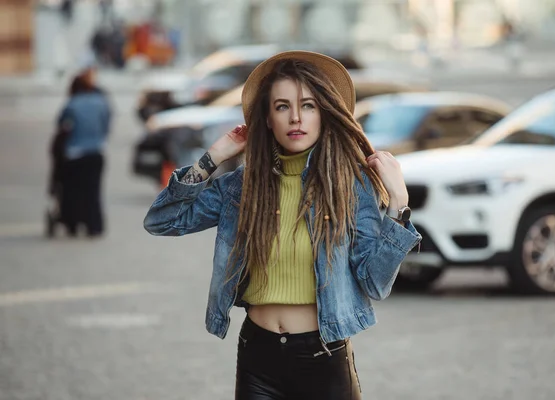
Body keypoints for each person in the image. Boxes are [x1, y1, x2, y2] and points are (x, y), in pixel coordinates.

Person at [143, 51, 421, 399]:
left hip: (323, 360)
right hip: (258, 360)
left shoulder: (350, 186)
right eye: (282, 106)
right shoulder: (243, 188)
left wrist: (398, 205)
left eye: (307, 105)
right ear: (268, 118)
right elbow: (161, 220)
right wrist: (212, 158)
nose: (295, 117)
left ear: (324, 113)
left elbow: (375, 283)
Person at [56, 66, 111, 237]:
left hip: (74, 153)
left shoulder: (72, 104)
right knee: (93, 191)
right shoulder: (101, 102)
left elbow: (61, 125)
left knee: (72, 190)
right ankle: (94, 225)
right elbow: (106, 125)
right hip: (96, 152)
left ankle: (72, 222)